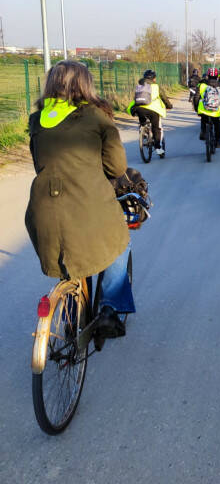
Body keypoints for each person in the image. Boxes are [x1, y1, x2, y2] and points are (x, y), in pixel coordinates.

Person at [25, 60, 135, 338]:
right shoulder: (97, 117)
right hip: (88, 206)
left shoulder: (37, 120)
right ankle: (109, 310)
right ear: (84, 85)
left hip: (43, 211)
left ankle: (73, 314)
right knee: (119, 243)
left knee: (70, 257)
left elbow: (39, 163)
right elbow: (116, 168)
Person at [128, 69, 173, 156]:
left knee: (142, 121)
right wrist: (169, 106)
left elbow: (136, 98)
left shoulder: (139, 85)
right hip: (153, 110)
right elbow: (164, 98)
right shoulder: (156, 86)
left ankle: (144, 132)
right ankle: (158, 148)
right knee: (156, 128)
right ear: (154, 79)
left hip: (139, 108)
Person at [194, 68, 220, 147]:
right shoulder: (219, 85)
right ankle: (218, 142)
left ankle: (203, 132)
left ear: (208, 75)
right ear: (217, 76)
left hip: (204, 109)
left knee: (203, 120)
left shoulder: (202, 84)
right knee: (217, 124)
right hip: (215, 111)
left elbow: (196, 98)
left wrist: (196, 108)